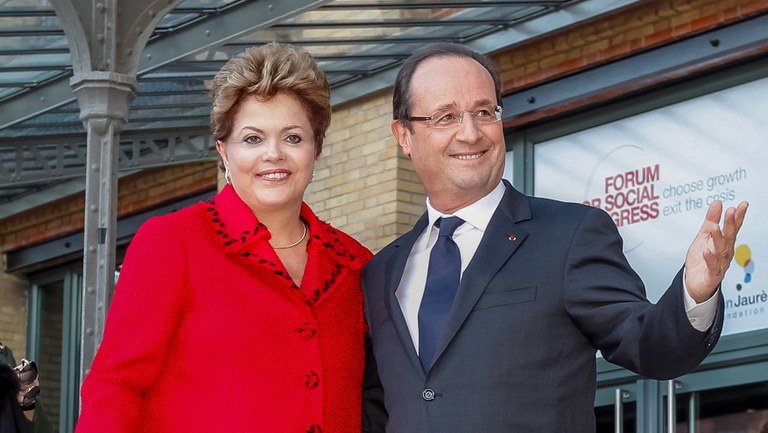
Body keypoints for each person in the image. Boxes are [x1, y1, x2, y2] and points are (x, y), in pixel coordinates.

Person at [360, 42, 749, 432]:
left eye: (484, 112)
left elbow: (650, 345)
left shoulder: (570, 235)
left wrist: (695, 293)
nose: (471, 132)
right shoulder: (379, 273)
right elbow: (375, 409)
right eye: (446, 117)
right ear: (404, 135)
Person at [76, 42, 373, 433]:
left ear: (316, 149)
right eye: (252, 139)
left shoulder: (356, 264)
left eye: (293, 138)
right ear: (223, 152)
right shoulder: (173, 242)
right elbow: (115, 387)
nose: (273, 154)